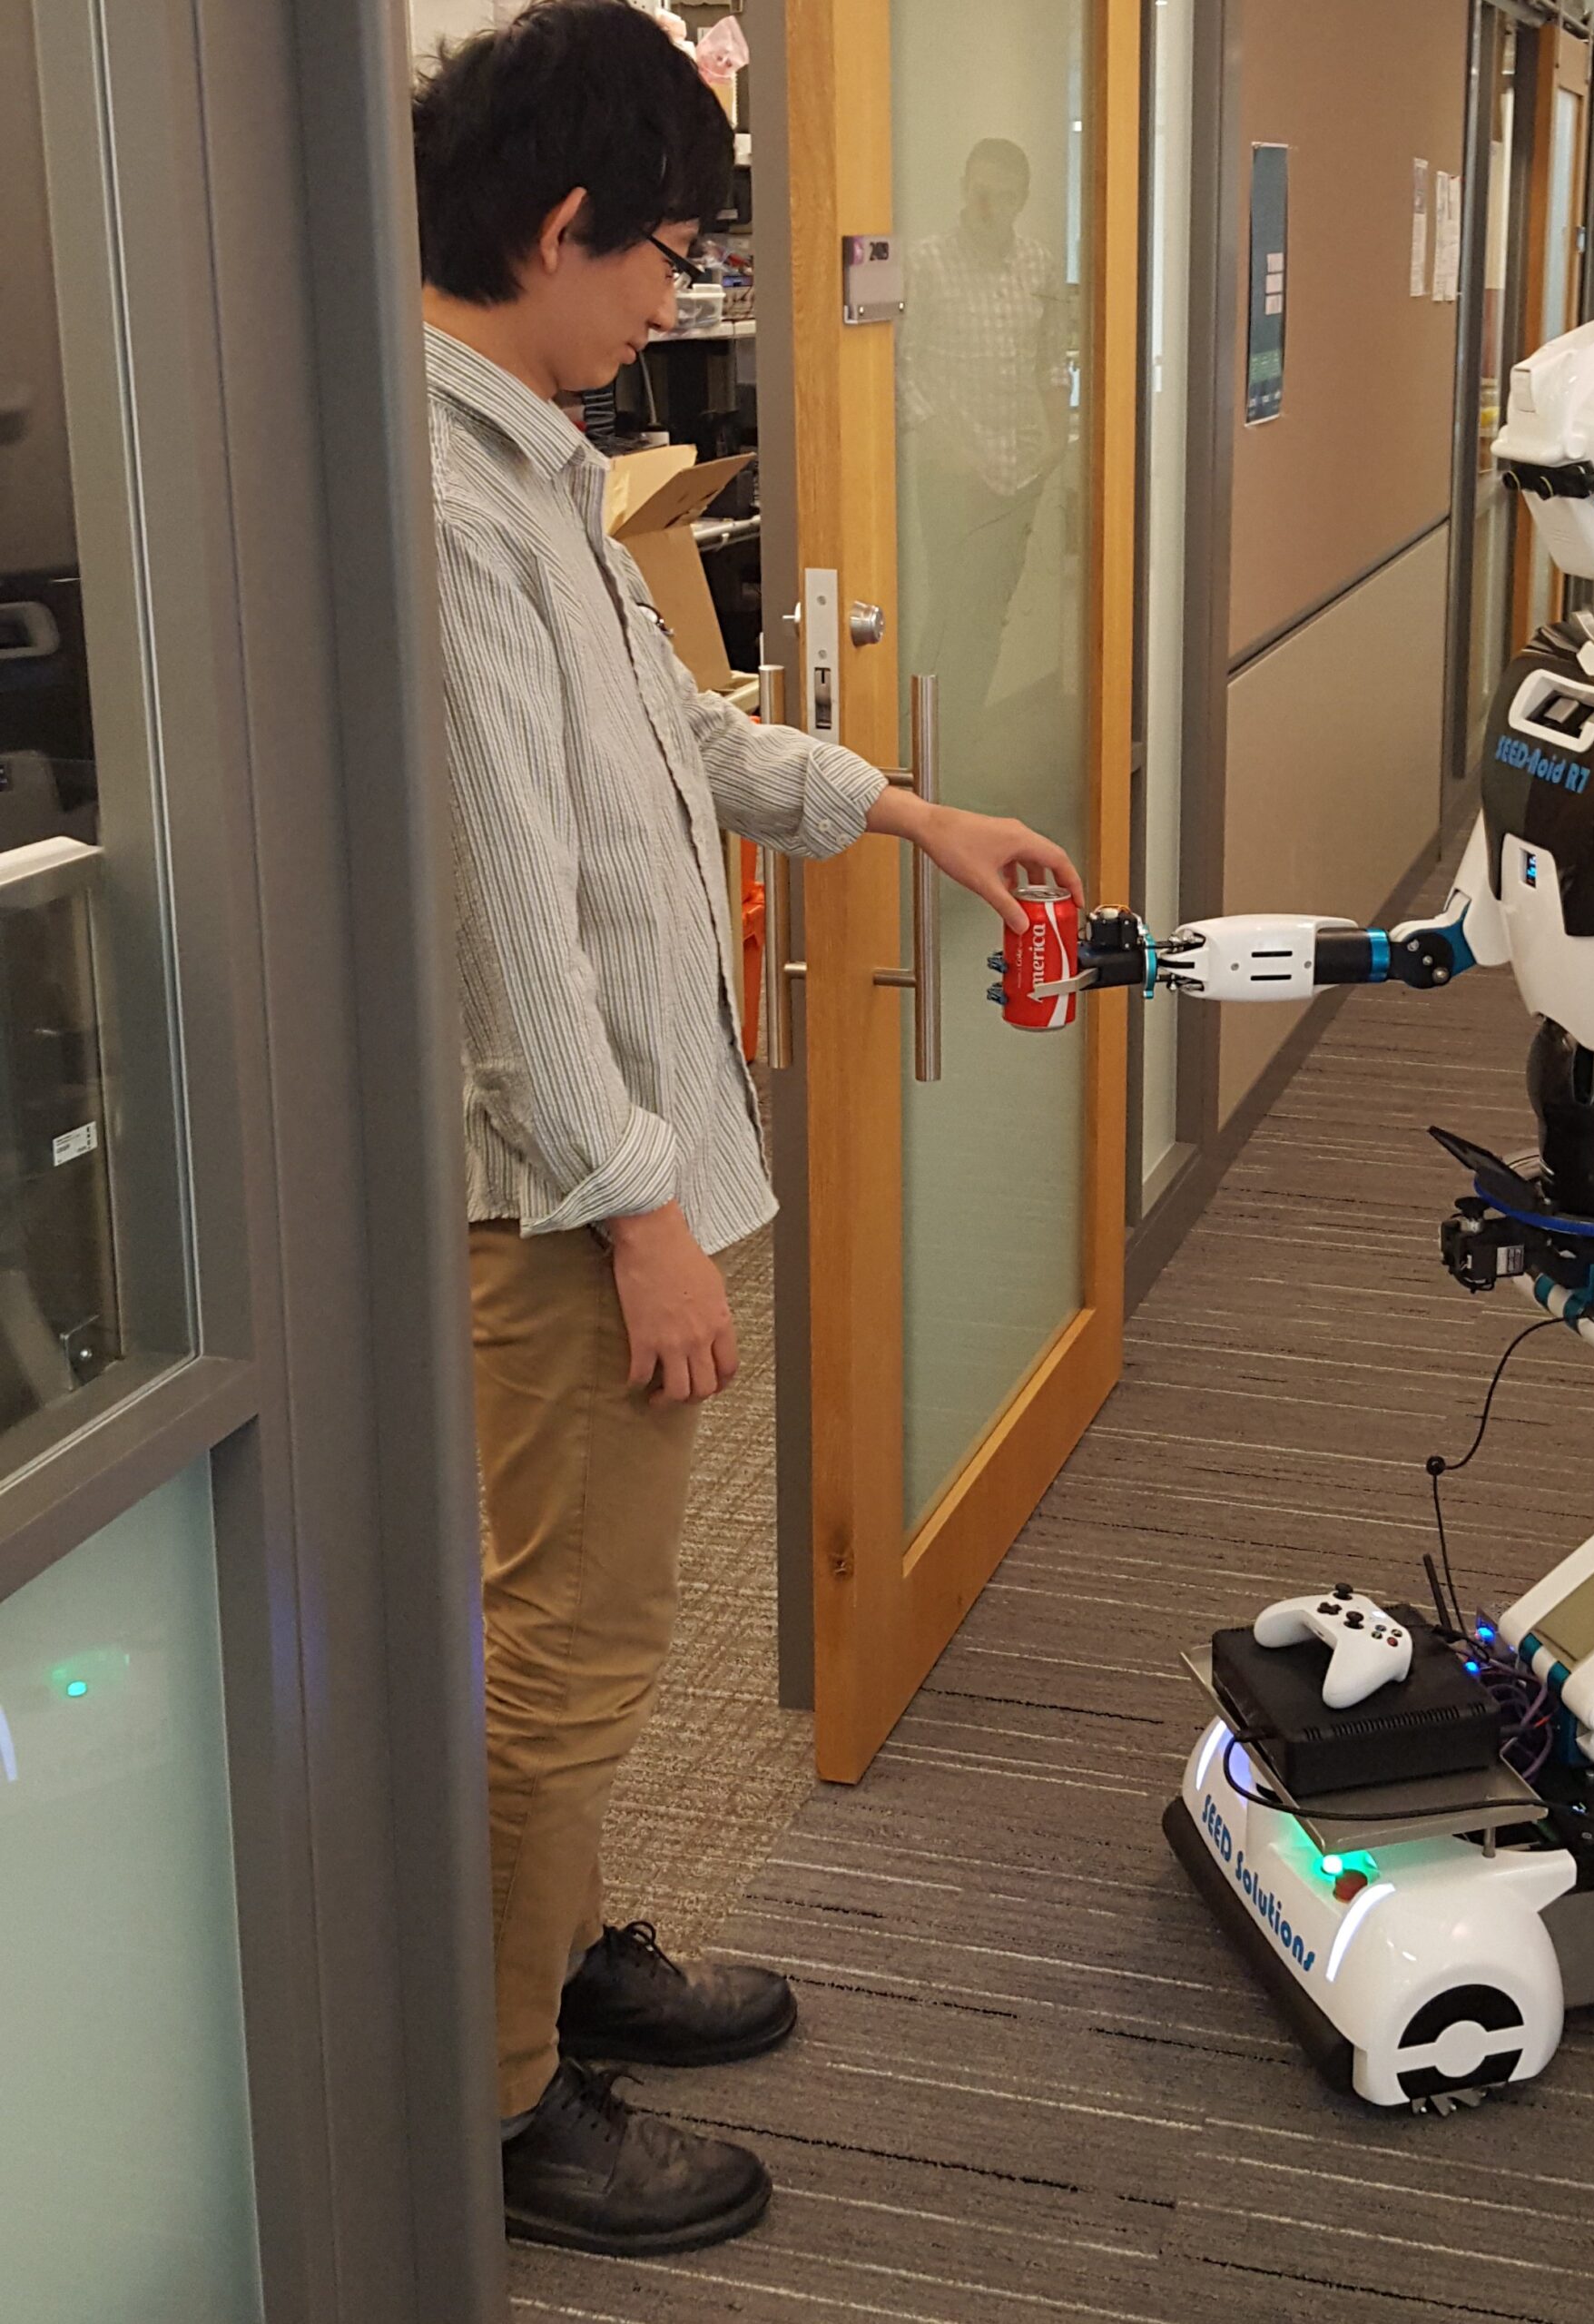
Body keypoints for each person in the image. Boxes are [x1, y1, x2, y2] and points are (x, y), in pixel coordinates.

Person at [412, 0, 1083, 2260]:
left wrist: (898, 805)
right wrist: (642, 1216)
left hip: (625, 1156)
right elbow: (510, 913)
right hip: (571, 1187)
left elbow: (662, 741)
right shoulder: (436, 496)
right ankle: (502, 2097)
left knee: (581, 1618)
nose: (669, 306)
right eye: (667, 260)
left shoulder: (525, 446)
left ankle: (559, 1941)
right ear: (564, 222)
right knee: (572, 1637)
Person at [899, 138, 1073, 733]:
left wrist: (1055, 438)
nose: (984, 207)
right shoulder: (925, 262)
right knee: (948, 611)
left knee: (989, 614)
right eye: (976, 192)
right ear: (962, 189)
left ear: (1020, 201)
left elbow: (1051, 358)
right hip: (951, 475)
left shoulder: (1037, 264)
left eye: (999, 196)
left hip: (1018, 472)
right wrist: (943, 445)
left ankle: (961, 739)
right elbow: (901, 365)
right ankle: (919, 747)